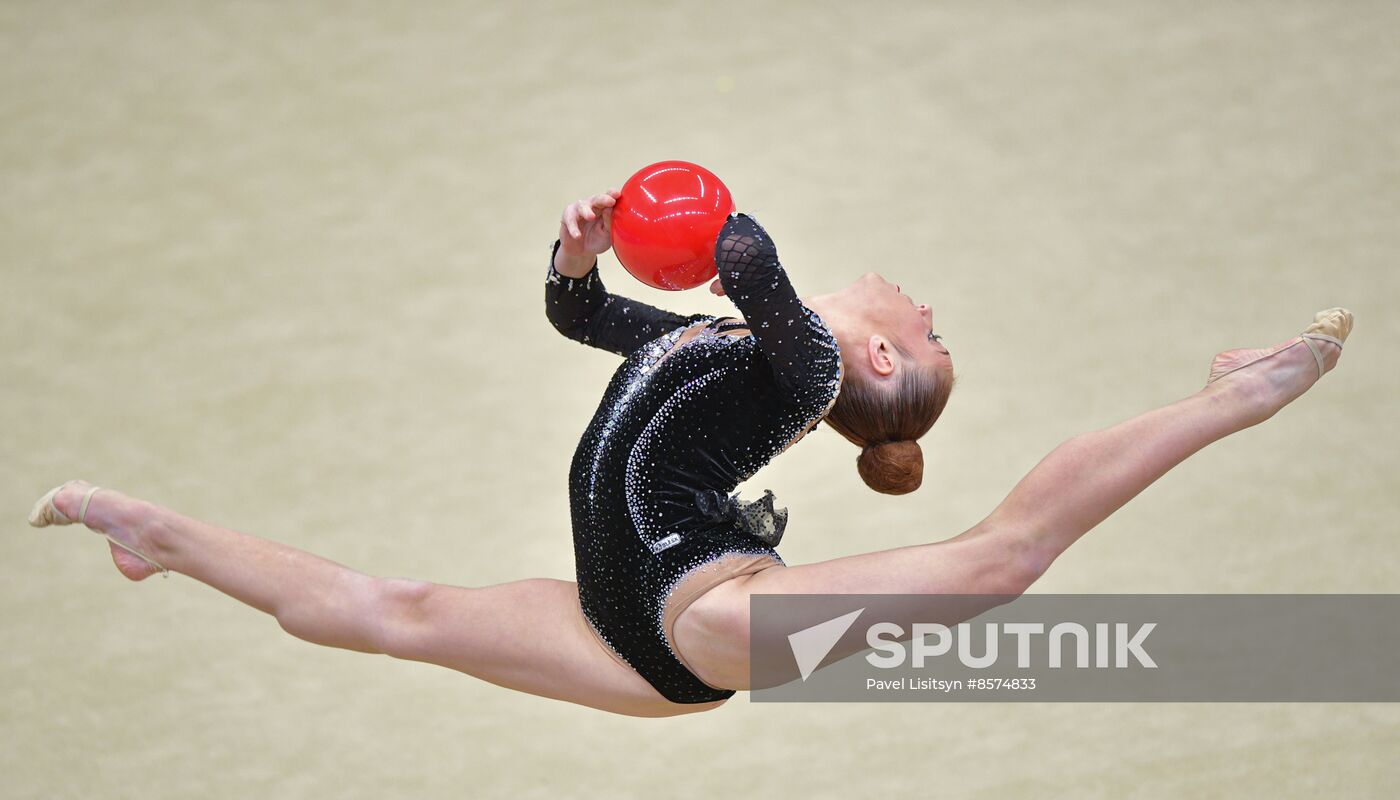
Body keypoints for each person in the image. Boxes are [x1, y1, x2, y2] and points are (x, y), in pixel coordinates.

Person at [29, 189, 1352, 718]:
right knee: (394, 612)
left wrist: (699, 208)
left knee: (1000, 560)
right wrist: (579, 255)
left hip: (700, 606)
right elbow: (586, 320)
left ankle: (1235, 397)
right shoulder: (729, 345)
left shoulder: (808, 370)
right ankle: (153, 532)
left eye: (929, 328)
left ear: (877, 357)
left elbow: (751, 258)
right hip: (617, 627)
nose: (922, 299)